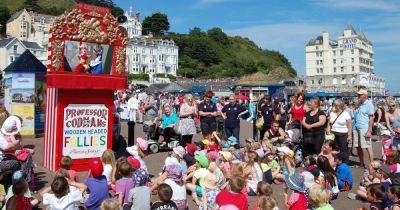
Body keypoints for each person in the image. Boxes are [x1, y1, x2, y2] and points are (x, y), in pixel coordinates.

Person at [353, 89, 375, 168]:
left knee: (367, 146)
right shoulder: (358, 103)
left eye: (360, 95)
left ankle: (372, 164)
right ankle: (361, 163)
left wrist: (369, 130)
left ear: (365, 95)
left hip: (364, 128)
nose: (358, 96)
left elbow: (371, 118)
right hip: (356, 127)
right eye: (358, 94)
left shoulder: (369, 104)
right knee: (358, 146)